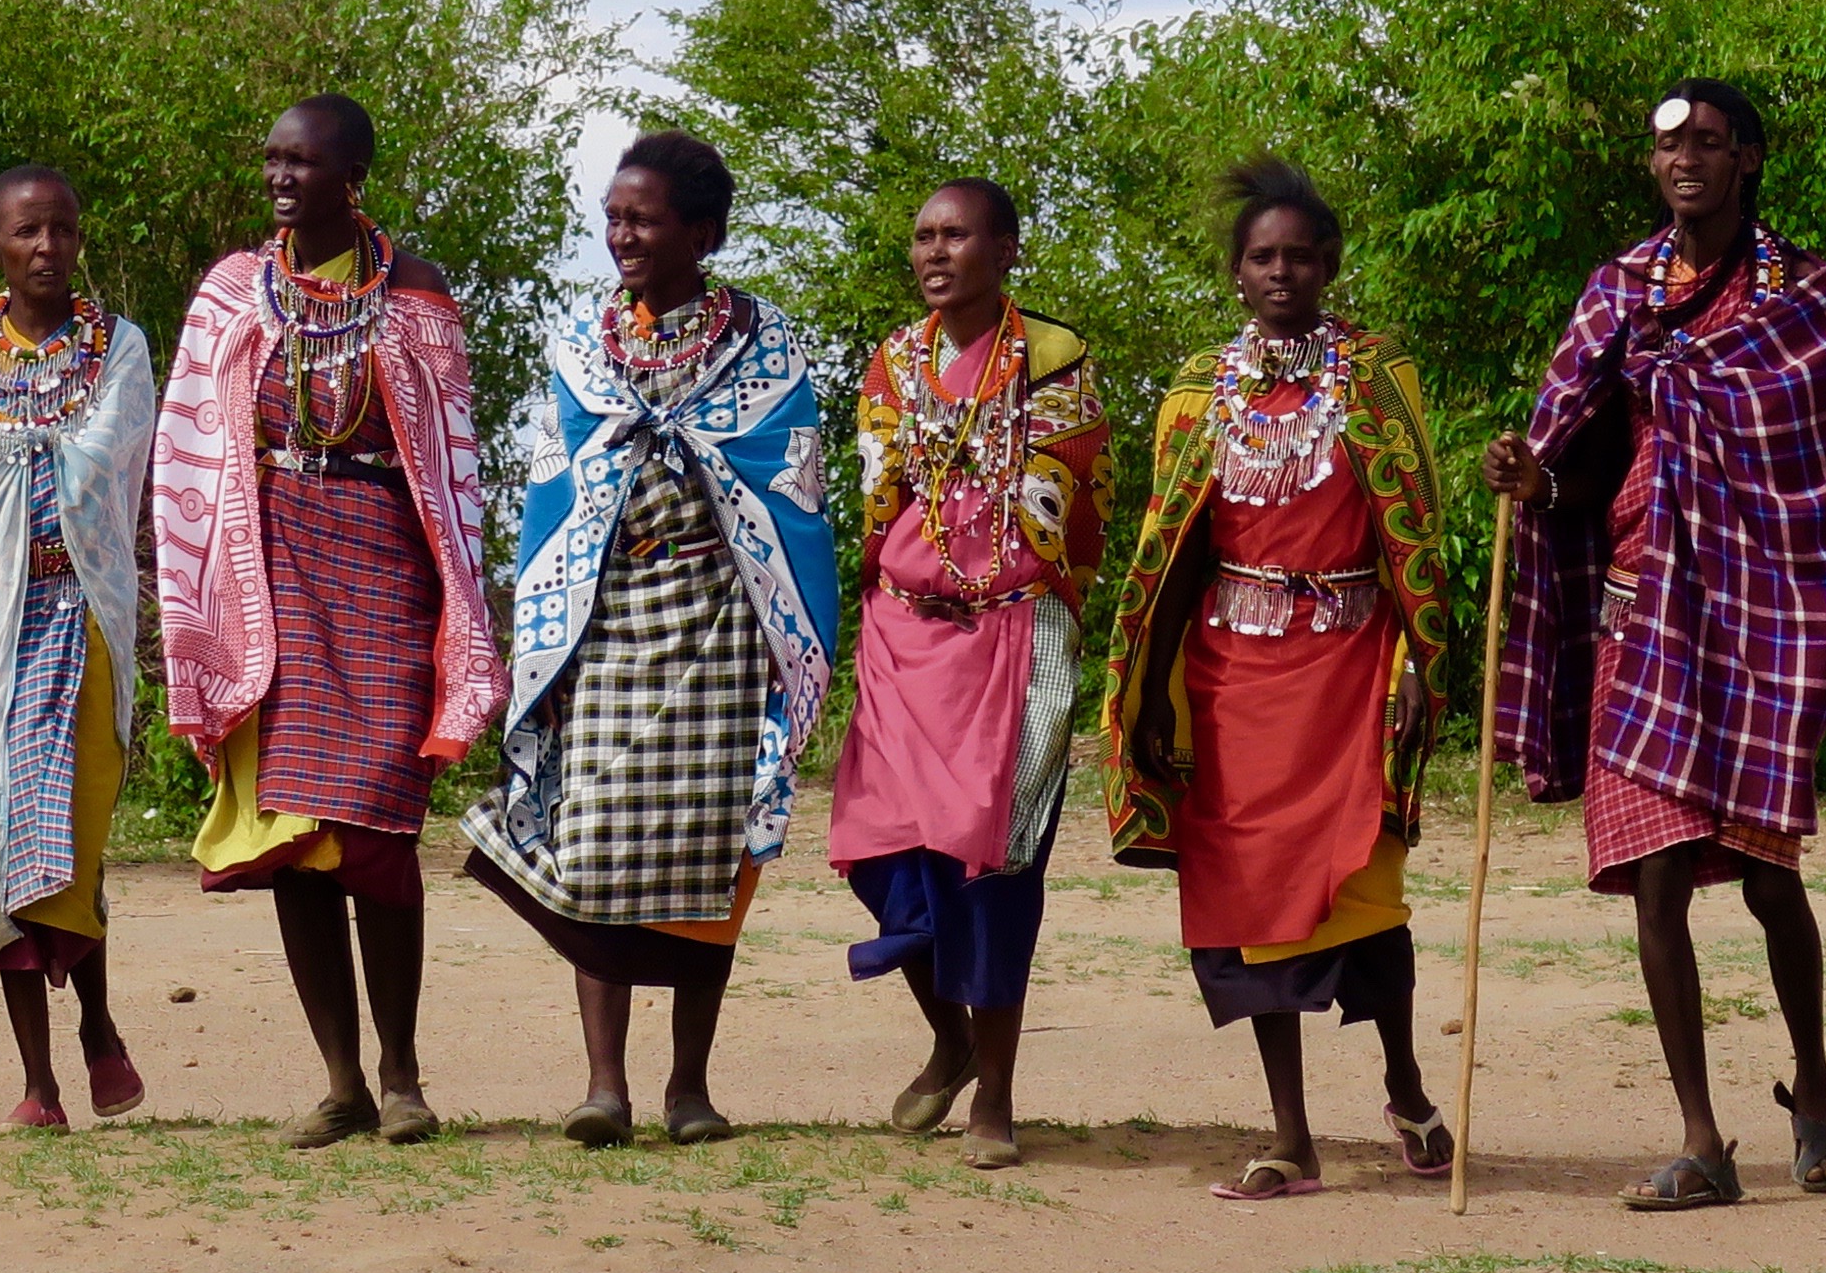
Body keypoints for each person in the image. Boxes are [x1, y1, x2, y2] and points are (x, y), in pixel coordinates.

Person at [1486, 78, 1826, 1213]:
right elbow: (1568, 440)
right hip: (1637, 596)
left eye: (1708, 141)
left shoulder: (1803, 292)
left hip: (1756, 605)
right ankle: (1701, 1134)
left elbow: (1817, 457)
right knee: (1657, 873)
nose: (1685, 158)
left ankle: (1813, 1080)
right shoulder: (1618, 288)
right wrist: (1531, 473)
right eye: (1668, 144)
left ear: (1748, 157)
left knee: (1763, 870)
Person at [462, 133, 838, 1150]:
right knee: (594, 846)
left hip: (721, 616)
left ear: (701, 232)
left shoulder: (766, 348)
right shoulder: (583, 347)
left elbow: (790, 486)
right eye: (614, 215)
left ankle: (688, 1087)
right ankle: (603, 1086)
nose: (620, 234)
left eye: (642, 217)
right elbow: (556, 476)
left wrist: (779, 628)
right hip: (608, 611)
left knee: (707, 855)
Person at [1099, 158, 1453, 1200]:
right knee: (1248, 902)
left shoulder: (1380, 375)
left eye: (1302, 253)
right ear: (1236, 273)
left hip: (1350, 669)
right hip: (1231, 678)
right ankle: (1288, 1134)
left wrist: (1417, 662)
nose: (1283, 270)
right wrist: (1152, 696)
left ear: (1330, 264)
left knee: (1363, 893)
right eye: (1263, 256)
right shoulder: (1192, 393)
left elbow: (1417, 535)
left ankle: (1405, 1083)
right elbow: (1169, 551)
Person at [154, 93, 503, 1148]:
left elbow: (450, 464)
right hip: (270, 575)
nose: (280, 179)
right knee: (292, 835)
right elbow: (190, 446)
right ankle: (342, 1079)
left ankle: (402, 1072)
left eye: (301, 163)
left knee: (375, 831)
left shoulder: (418, 294)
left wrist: (458, 601)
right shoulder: (230, 292)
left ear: (353, 178)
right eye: (271, 160)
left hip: (384, 567)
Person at [827, 177, 1106, 1173]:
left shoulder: (1058, 365)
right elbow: (873, 495)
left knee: (991, 864)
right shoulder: (893, 361)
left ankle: (995, 1088)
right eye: (922, 235)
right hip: (905, 638)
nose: (935, 252)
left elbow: (1067, 510)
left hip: (1011, 639)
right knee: (882, 847)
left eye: (956, 235)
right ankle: (948, 1030)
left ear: (1006, 249)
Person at [0, 163, 154, 1131]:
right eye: (26, 233)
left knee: (76, 838)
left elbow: (113, 455)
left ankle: (98, 1022)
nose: (47, 249)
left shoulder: (120, 347)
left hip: (87, 616)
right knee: (6, 831)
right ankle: (40, 1081)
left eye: (62, 230)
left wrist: (27, 453)